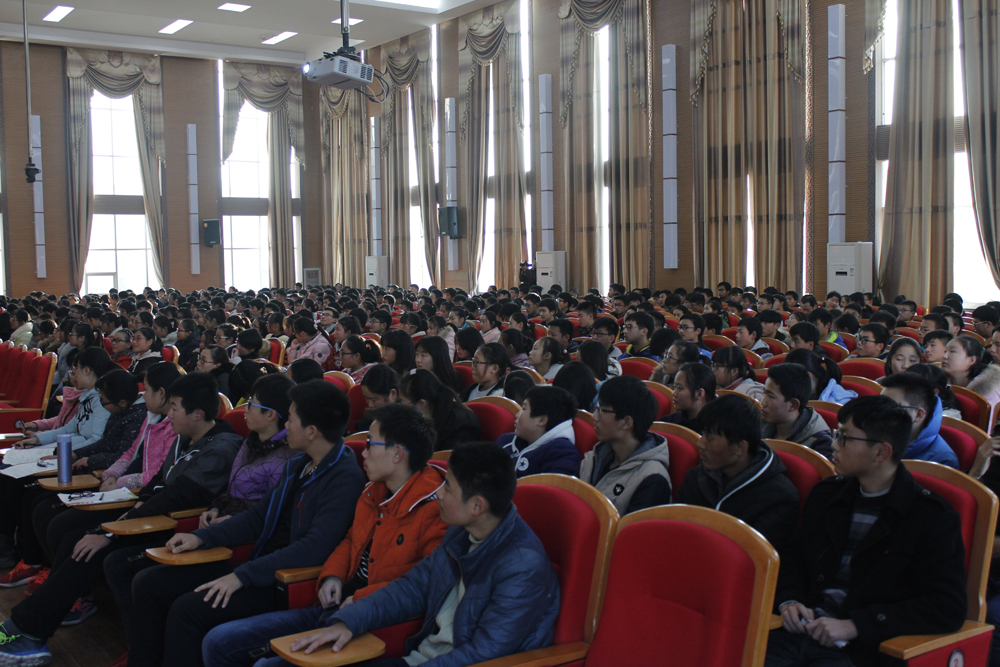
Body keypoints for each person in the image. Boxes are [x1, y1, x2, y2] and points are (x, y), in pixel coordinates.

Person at [116, 379, 366, 666]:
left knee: (188, 611)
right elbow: (258, 516)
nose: (286, 424)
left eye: (291, 419)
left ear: (312, 432)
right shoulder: (300, 464)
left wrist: (242, 576)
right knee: (150, 583)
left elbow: (314, 548)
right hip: (260, 565)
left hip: (288, 582)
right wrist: (202, 537)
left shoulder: (343, 477)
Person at [0, 372, 243, 665]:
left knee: (95, 550)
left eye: (175, 407)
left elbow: (175, 497)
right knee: (77, 538)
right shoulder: (186, 438)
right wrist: (127, 515)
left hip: (178, 528)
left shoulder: (220, 448)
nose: (170, 414)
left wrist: (112, 532)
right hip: (150, 516)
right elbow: (158, 484)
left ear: (197, 414)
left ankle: (29, 629)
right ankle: (29, 628)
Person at [201, 403, 449, 667]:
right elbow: (351, 539)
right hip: (333, 606)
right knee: (219, 642)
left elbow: (420, 587)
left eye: (370, 444)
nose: (364, 453)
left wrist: (360, 601)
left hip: (375, 623)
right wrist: (333, 575)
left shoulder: (436, 510)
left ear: (397, 454)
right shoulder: (373, 491)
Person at [278, 441, 559, 667]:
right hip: (420, 657)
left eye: (448, 487)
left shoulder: (522, 566)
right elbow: (413, 587)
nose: (439, 494)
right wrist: (350, 620)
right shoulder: (461, 531)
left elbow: (483, 654)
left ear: (477, 506)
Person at [767, 395, 967, 667]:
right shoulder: (827, 495)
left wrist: (857, 625)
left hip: (859, 649)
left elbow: (946, 606)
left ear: (881, 452)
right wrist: (789, 600)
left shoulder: (930, 516)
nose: (834, 445)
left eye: (844, 438)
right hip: (798, 631)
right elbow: (793, 556)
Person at [678, 395, 799, 550]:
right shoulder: (695, 477)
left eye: (709, 437)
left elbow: (755, 556)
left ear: (740, 448)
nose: (700, 443)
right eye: (703, 434)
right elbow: (676, 528)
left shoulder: (779, 497)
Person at [581, 375, 671, 515]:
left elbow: (633, 528)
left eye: (602, 410)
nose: (594, 416)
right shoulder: (595, 456)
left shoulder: (653, 479)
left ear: (627, 423)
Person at [498, 385, 580, 478]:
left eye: (524, 409)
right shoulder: (506, 441)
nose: (517, 415)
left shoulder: (562, 455)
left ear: (541, 420)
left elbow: (549, 486)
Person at [880, 373, 959, 468]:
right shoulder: (876, 434)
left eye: (891, 407)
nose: (881, 413)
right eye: (880, 404)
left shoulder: (942, 461)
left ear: (918, 415)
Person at [761, 363, 834, 459]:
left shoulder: (820, 444)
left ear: (793, 405)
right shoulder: (761, 425)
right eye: (764, 393)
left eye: (771, 396)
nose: (763, 402)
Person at [400, 370, 480, 451]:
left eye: (402, 403)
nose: (401, 408)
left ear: (421, 404)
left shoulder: (459, 425)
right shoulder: (429, 415)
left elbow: (444, 456)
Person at [945, 336, 1000, 412]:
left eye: (952, 351)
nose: (944, 356)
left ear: (971, 360)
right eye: (945, 351)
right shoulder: (939, 382)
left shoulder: (988, 393)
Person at [660, 362, 716, 433]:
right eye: (674, 387)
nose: (674, 393)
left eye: (679, 388)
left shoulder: (715, 430)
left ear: (699, 394)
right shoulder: (667, 423)